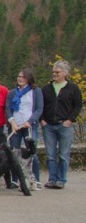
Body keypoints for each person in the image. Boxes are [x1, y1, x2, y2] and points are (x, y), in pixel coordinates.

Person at [41, 60, 82, 189]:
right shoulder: (46, 88)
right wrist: (42, 120)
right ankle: (52, 179)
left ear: (65, 73)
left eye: (57, 72)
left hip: (65, 125)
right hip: (48, 126)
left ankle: (61, 180)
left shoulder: (73, 88)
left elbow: (78, 105)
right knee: (51, 154)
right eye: (53, 72)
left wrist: (70, 120)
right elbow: (40, 106)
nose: (54, 74)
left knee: (64, 154)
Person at [5, 68, 43, 190]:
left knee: (32, 153)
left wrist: (30, 121)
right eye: (19, 76)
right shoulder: (12, 93)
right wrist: (12, 122)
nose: (20, 79)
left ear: (29, 79)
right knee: (14, 153)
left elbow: (39, 109)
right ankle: (15, 180)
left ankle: (35, 179)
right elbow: (8, 109)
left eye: (23, 77)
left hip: (29, 126)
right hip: (15, 126)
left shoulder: (36, 91)